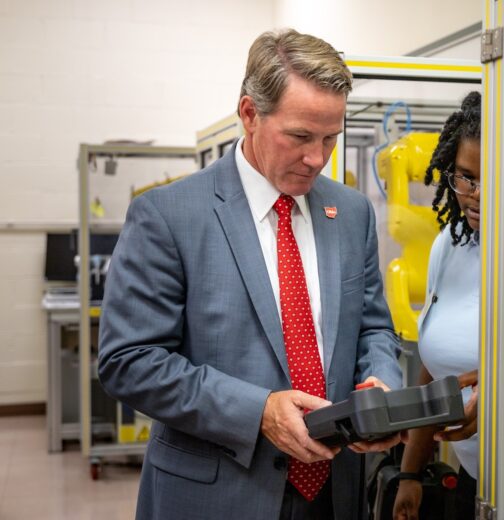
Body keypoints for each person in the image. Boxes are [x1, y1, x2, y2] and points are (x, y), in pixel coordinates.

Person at [98, 29, 402, 520]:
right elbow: (128, 361)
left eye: (331, 138)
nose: (317, 158)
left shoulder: (351, 213)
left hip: (335, 492)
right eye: (300, 136)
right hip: (215, 494)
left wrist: (379, 385)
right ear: (249, 114)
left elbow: (373, 328)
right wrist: (256, 411)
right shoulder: (169, 215)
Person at [393, 91, 482, 520]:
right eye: (465, 177)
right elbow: (433, 368)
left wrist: (500, 388)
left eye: (490, 179)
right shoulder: (450, 243)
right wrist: (410, 473)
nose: (474, 195)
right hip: (475, 475)